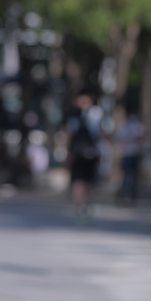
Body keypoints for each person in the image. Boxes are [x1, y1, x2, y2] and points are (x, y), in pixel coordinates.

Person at [67, 92, 100, 221]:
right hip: (90, 153)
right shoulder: (96, 113)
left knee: (80, 181)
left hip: (78, 153)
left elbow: (68, 133)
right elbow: (100, 133)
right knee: (86, 181)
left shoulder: (73, 115)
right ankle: (85, 207)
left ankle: (80, 208)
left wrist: (68, 151)